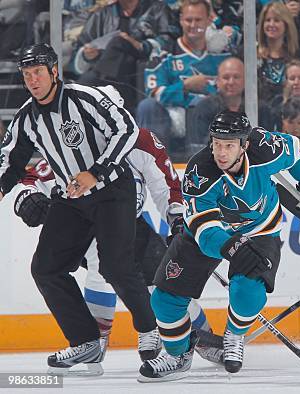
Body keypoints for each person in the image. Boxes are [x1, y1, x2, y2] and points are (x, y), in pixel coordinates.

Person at [138, 110, 300, 381]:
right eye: (216, 144)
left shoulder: (265, 148)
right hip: (206, 236)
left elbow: (298, 150)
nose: (221, 153)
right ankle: (177, 355)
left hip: (260, 230)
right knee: (164, 299)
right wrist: (232, 247)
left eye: (229, 145)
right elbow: (205, 232)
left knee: (248, 291)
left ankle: (234, 336)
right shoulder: (200, 171)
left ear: (245, 145)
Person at [0, 43, 157, 375]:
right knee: (45, 268)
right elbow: (12, 162)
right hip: (72, 198)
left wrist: (95, 172)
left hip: (113, 189)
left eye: (38, 72)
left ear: (54, 71)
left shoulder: (83, 98)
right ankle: (86, 342)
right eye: (27, 75)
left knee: (116, 267)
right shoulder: (27, 117)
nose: (33, 80)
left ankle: (149, 332)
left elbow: (126, 128)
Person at [12, 127, 223, 365]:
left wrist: (177, 220)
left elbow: (166, 185)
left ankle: (205, 338)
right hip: (83, 226)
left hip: (130, 224)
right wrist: (26, 196)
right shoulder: (76, 141)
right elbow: (32, 177)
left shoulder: (139, 140)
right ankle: (96, 340)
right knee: (99, 268)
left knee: (162, 284)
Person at [138, 0, 230, 152]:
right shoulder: (164, 54)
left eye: (198, 20)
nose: (193, 25)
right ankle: (155, 166)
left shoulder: (223, 56)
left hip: (212, 120)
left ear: (208, 20)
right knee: (147, 106)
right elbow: (155, 93)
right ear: (181, 20)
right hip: (175, 120)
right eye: (188, 20)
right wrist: (185, 86)